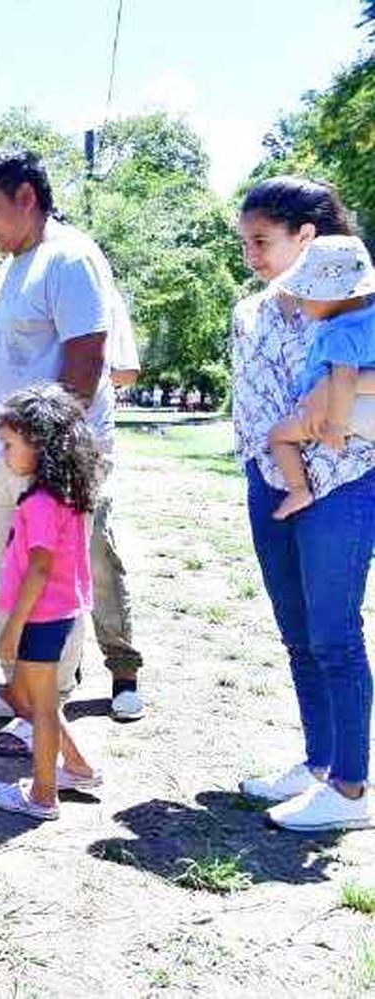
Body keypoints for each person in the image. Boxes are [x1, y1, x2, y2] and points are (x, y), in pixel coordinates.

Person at [0, 149, 146, 744]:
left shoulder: (69, 258)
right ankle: (23, 685)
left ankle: (47, 706)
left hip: (45, 460)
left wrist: (43, 456)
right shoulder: (11, 265)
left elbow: (86, 362)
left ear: (27, 198)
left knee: (49, 584)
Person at [233, 177, 375, 832]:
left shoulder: (360, 308)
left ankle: (351, 790)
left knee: (334, 635)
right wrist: (262, 467)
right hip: (272, 481)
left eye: (262, 241)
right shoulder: (251, 310)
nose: (251, 255)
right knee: (297, 635)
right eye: (246, 243)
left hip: (344, 483)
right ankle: (318, 765)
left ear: (308, 237)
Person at [0, 385, 104, 820]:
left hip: (39, 616)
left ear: (39, 444)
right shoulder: (65, 495)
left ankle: (42, 794)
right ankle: (77, 767)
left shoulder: (39, 502)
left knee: (41, 706)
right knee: (40, 702)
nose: (4, 453)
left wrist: (13, 628)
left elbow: (38, 568)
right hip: (58, 612)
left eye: (9, 444)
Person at [263, 235, 375, 520]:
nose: (299, 303)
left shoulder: (341, 331)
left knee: (278, 436)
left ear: (333, 294)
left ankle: (298, 489)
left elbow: (345, 378)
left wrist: (336, 425)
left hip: (347, 410)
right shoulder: (369, 319)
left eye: (304, 295)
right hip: (365, 405)